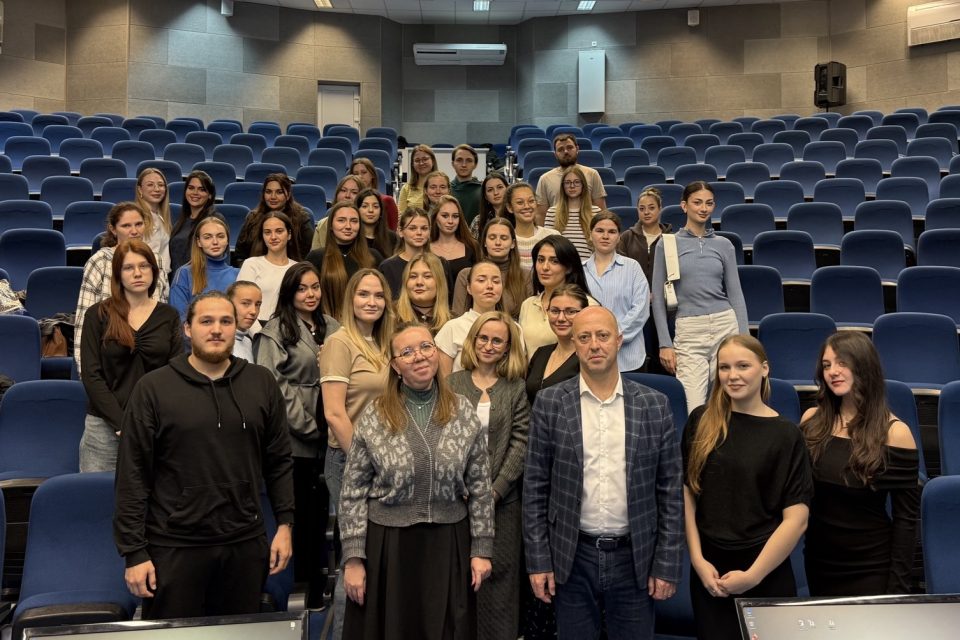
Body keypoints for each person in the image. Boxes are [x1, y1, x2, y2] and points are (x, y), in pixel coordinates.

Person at [114, 291, 294, 620]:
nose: (216, 330)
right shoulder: (153, 388)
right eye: (206, 321)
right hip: (174, 546)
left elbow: (279, 460)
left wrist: (285, 524)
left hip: (244, 544)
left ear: (236, 327)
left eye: (226, 321)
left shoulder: (261, 383)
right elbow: (132, 474)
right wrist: (134, 552)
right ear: (188, 329)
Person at [523, 306, 683, 640]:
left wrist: (666, 563)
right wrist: (538, 561)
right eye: (584, 337)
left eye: (603, 335)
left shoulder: (654, 405)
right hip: (571, 556)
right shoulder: (550, 403)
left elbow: (669, 490)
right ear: (574, 344)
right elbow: (535, 487)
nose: (594, 344)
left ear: (619, 340)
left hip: (635, 557)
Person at [339, 321, 494, 640]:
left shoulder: (463, 411)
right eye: (407, 352)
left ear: (436, 353)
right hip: (389, 548)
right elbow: (352, 490)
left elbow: (480, 486)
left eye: (426, 347)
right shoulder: (375, 415)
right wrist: (354, 559)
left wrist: (481, 549)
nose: (419, 356)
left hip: (448, 543)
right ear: (395, 366)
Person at [683, 335, 813, 640]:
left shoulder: (786, 435)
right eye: (724, 367)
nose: (733, 375)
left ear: (764, 369)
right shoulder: (701, 420)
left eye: (743, 366)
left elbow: (797, 520)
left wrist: (753, 576)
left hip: (765, 571)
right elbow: (688, 493)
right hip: (710, 574)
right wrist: (697, 560)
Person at [800, 332, 920, 597]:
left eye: (842, 362)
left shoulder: (895, 433)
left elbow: (906, 521)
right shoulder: (811, 421)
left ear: (864, 366)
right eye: (827, 365)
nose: (833, 371)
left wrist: (897, 591)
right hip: (819, 562)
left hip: (871, 567)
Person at [255, 262, 341, 609]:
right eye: (302, 288)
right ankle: (301, 592)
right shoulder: (275, 330)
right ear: (290, 292)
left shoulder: (332, 326)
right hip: (296, 438)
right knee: (300, 518)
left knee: (323, 517)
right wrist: (309, 426)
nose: (310, 294)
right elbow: (273, 385)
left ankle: (323, 587)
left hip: (332, 432)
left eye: (315, 287)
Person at [318, 269, 394, 640]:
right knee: (355, 557)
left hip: (388, 463)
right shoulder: (339, 342)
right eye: (364, 294)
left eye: (378, 295)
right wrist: (368, 463)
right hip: (350, 461)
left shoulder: (385, 341)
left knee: (377, 556)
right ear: (351, 299)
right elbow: (334, 413)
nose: (371, 302)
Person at [448, 312, 529, 640]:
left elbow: (521, 442)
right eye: (483, 338)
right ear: (472, 340)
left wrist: (495, 491)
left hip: (503, 504)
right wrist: (460, 488)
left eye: (497, 340)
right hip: (456, 503)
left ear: (508, 347)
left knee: (499, 583)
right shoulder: (452, 384)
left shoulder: (515, 388)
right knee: (459, 581)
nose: (489, 345)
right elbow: (441, 438)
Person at [80, 239, 182, 472]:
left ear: (154, 271)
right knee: (97, 493)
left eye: (144, 266)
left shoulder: (169, 316)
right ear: (118, 274)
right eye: (128, 267)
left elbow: (175, 373)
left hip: (155, 425)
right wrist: (121, 422)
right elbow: (91, 375)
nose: (137, 273)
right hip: (104, 427)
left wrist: (151, 420)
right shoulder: (97, 315)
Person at [652, 181, 748, 412]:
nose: (703, 208)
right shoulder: (667, 244)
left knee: (730, 402)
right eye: (697, 203)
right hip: (689, 329)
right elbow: (658, 298)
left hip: (725, 324)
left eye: (709, 203)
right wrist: (665, 343)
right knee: (693, 405)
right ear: (684, 206)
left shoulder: (724, 245)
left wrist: (744, 339)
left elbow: (735, 293)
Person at [74, 202, 170, 374]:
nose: (134, 231)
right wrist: (86, 372)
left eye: (139, 224)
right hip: (111, 357)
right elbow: (84, 322)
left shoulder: (155, 259)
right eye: (126, 226)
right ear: (113, 229)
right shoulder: (100, 261)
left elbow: (162, 308)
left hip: (151, 359)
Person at [583, 212, 650, 372]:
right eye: (600, 231)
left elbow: (640, 309)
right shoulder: (580, 270)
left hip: (628, 357)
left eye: (612, 232)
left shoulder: (632, 267)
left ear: (619, 237)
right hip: (590, 354)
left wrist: (612, 337)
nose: (605, 236)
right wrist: (596, 339)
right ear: (590, 234)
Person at [519, 235, 595, 359]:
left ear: (569, 268)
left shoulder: (588, 305)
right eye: (540, 260)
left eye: (554, 261)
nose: (545, 267)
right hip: (533, 371)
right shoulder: (527, 304)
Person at [306, 201, 383, 322]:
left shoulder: (374, 257)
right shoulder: (316, 258)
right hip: (327, 324)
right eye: (341, 220)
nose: (348, 226)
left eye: (354, 221)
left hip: (367, 324)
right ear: (331, 226)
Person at [437, 261, 516, 377]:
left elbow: (518, 372)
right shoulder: (452, 327)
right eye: (481, 280)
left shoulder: (514, 328)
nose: (490, 286)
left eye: (496, 281)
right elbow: (444, 380)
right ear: (469, 288)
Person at [452, 217, 532, 319]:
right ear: (484, 242)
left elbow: (527, 319)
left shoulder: (526, 276)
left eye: (504, 238)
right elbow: (458, 317)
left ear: (513, 244)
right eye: (492, 237)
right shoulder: (466, 274)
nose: (498, 243)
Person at [525, 283, 587, 407]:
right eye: (555, 311)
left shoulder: (588, 357)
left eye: (570, 311)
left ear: (584, 314)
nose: (561, 318)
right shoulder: (541, 353)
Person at [169, 214, 238, 324]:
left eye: (220, 236)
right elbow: (179, 319)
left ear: (227, 240)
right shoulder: (184, 273)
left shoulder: (238, 274)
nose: (215, 242)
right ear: (199, 242)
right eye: (207, 237)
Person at [233, 173, 314, 266]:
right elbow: (240, 255)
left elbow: (308, 256)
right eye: (268, 192)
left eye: (279, 192)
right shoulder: (253, 218)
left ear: (288, 195)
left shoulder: (301, 218)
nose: (273, 197)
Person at [236, 211, 299, 328]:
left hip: (289, 329)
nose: (273, 237)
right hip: (256, 329)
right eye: (267, 232)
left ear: (289, 234)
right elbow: (242, 306)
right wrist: (260, 335)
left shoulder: (297, 268)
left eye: (279, 231)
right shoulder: (251, 264)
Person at [379, 207, 450, 301]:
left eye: (424, 228)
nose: (419, 233)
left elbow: (448, 300)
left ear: (429, 232)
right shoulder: (388, 267)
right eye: (412, 228)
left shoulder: (441, 264)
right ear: (400, 232)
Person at [535, 133, 606, 225]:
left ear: (577, 149)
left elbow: (601, 211)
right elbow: (541, 215)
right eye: (560, 149)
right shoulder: (545, 179)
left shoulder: (592, 174)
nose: (566, 152)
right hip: (557, 229)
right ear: (555, 154)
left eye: (569, 147)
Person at [545, 165, 601, 262]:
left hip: (588, 266)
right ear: (563, 186)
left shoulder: (596, 212)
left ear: (583, 185)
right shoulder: (552, 212)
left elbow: (600, 246)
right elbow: (548, 246)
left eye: (577, 182)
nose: (572, 186)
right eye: (567, 183)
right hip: (561, 265)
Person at [618, 187, 670, 285]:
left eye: (651, 208)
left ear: (660, 209)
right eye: (642, 209)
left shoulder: (670, 238)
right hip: (632, 291)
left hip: (662, 292)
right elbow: (621, 271)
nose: (646, 212)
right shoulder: (627, 237)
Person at [169, 170, 217, 274]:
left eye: (202, 189)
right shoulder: (181, 221)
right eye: (191, 188)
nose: (195, 193)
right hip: (177, 280)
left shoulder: (214, 221)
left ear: (210, 195)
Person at [395, 252, 452, 334]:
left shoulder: (453, 321)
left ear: (439, 282)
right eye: (413, 276)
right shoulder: (390, 315)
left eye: (427, 276)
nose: (419, 282)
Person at [507, 181, 559, 270]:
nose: (527, 206)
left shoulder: (553, 236)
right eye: (520, 202)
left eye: (531, 201)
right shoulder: (505, 240)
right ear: (510, 208)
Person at [430, 194, 480, 278]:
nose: (450, 221)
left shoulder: (472, 246)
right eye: (445, 216)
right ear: (435, 217)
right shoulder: (425, 249)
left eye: (455, 216)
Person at [310, 174, 365, 251]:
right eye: (343, 190)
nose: (347, 195)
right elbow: (315, 255)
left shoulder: (369, 224)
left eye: (354, 192)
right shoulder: (323, 224)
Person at [135, 167, 172, 274]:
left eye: (161, 185)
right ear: (140, 190)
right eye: (150, 185)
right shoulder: (137, 217)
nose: (157, 189)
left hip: (162, 277)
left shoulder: (160, 217)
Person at [351, 157, 399, 230]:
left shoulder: (386, 200)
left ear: (372, 175)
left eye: (364, 172)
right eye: (355, 174)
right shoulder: (350, 201)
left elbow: (392, 231)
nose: (359, 176)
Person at [357, 188, 398, 258]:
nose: (370, 210)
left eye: (375, 206)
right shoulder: (352, 237)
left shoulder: (392, 238)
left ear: (381, 211)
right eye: (365, 206)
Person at [227, 280, 261, 362]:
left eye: (257, 305)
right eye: (246, 303)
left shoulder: (248, 342)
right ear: (228, 304)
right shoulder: (218, 344)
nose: (254, 311)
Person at [398, 144, 436, 213]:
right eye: (417, 160)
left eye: (425, 159)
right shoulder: (406, 188)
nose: (421, 163)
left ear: (433, 161)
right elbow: (401, 216)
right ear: (412, 164)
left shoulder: (442, 185)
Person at [470, 172, 510, 238]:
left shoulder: (517, 216)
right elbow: (471, 244)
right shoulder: (478, 221)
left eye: (500, 187)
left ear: (507, 189)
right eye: (490, 190)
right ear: (485, 196)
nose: (496, 193)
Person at [451, 144, 483, 224]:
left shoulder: (483, 190)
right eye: (459, 160)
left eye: (469, 160)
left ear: (475, 165)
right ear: (453, 164)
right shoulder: (446, 189)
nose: (464, 165)